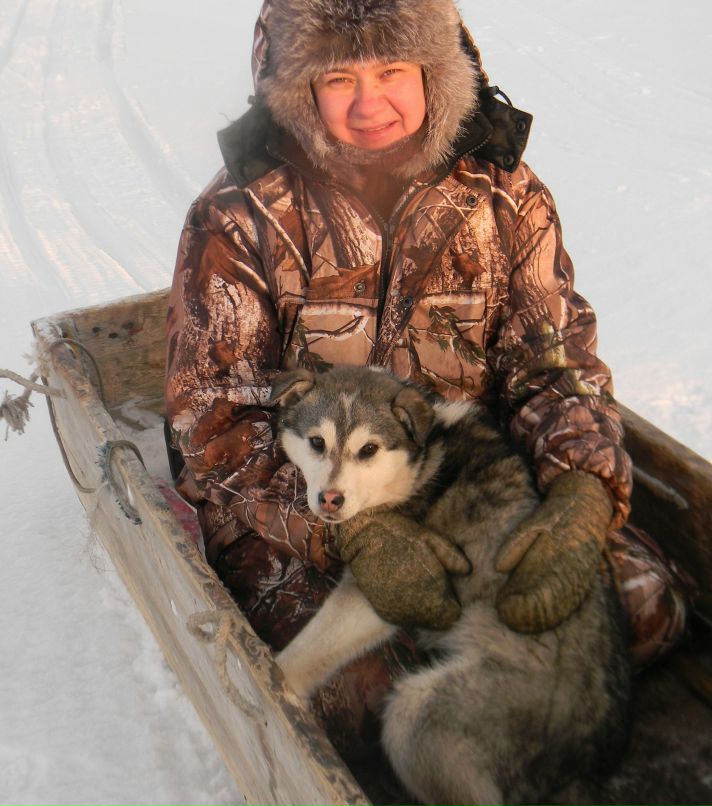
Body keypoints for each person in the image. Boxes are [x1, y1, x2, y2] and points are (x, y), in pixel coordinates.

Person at [165, 0, 693, 756]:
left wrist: (579, 492)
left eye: (392, 71)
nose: (368, 102)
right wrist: (352, 538)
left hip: (463, 481)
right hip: (307, 504)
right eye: (338, 76)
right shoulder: (242, 211)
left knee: (646, 606)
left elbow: (556, 363)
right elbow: (212, 422)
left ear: (434, 70)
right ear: (299, 87)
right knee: (355, 702)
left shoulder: (504, 193)